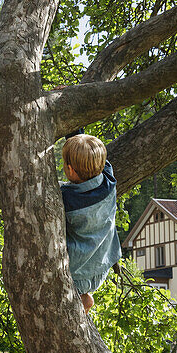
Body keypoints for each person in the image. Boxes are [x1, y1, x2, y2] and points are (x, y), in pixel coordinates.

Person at [61, 132, 121, 312]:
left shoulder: (66, 199)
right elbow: (94, 154)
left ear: (70, 170)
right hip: (102, 265)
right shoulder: (109, 181)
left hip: (77, 275)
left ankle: (82, 297)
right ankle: (84, 298)